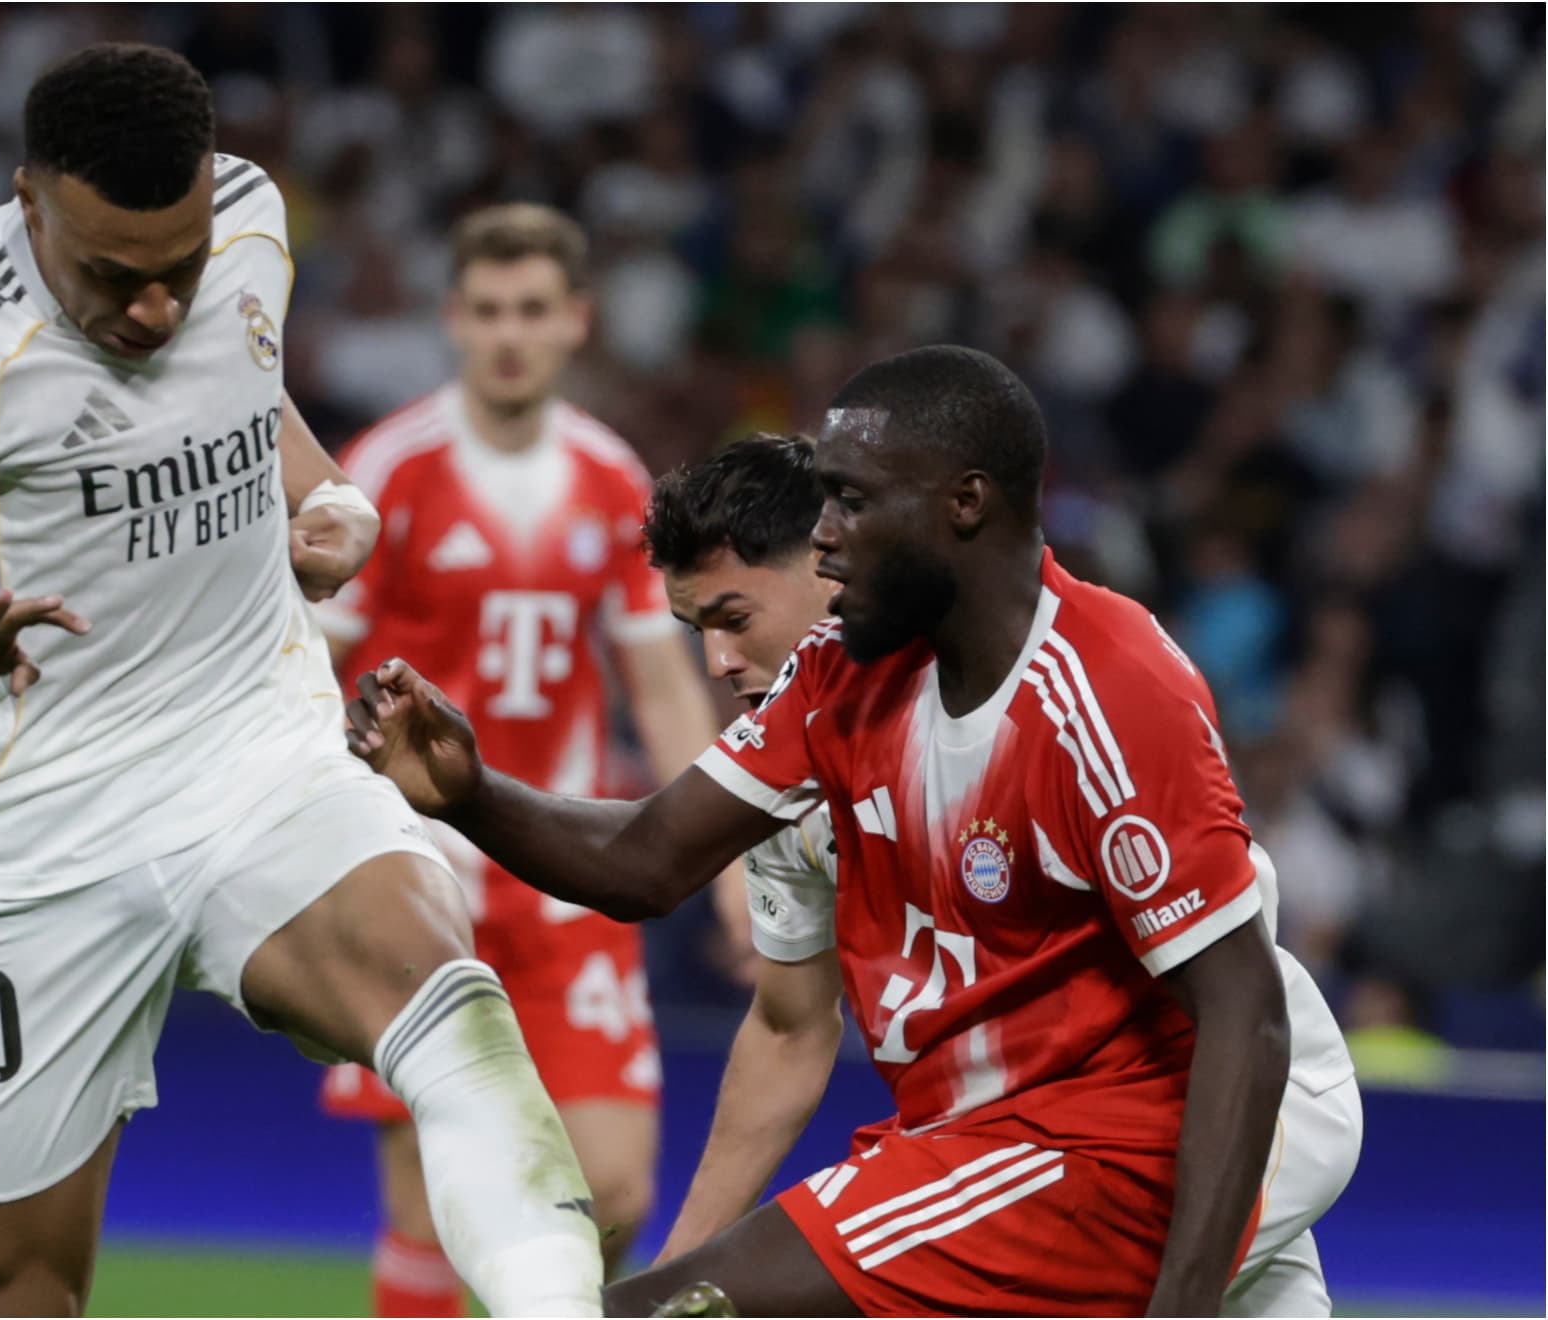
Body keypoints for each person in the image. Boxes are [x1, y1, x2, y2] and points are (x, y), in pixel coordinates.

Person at [0, 44, 603, 1318]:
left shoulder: (246, 214)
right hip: (36, 837)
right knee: (21, 1291)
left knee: (454, 1020)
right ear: (29, 203)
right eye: (113, 280)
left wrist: (330, 495)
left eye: (177, 273)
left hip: (256, 756)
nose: (155, 312)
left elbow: (245, 382)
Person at [344, 347, 1356, 1317]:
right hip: (996, 1127)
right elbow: (647, 862)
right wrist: (469, 794)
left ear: (966, 504)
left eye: (854, 502)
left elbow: (1244, 1015)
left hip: (1161, 1118)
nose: (823, 535)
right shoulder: (836, 680)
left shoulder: (1103, 688)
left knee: (669, 1312)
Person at [639, 432, 1362, 1315]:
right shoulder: (782, 771)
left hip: (1196, 1113)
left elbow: (1230, 984)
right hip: (1026, 1134)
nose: (716, 661)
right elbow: (790, 1030)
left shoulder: (1030, 685)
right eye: (697, 630)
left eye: (735, 618)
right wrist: (678, 1269)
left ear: (830, 562)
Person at [314, 202, 743, 1315]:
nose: (511, 333)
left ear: (576, 323)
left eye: (535, 311)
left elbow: (659, 682)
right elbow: (313, 666)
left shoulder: (612, 482)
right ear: (455, 319)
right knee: (428, 1207)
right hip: (416, 880)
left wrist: (733, 867)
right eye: (491, 309)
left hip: (563, 878)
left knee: (611, 1190)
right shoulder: (388, 470)